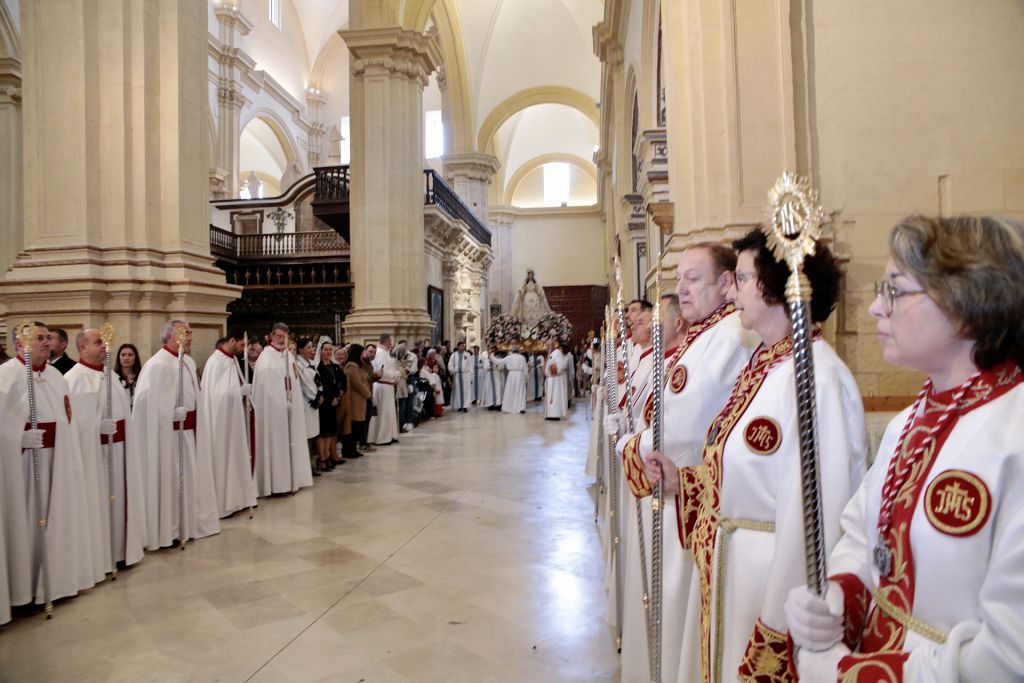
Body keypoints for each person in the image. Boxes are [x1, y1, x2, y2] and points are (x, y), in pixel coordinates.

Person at [786, 215, 1024, 681]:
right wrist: (838, 595)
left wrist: (851, 675)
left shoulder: (1014, 435)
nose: (876, 307)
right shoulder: (909, 422)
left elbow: (1007, 656)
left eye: (895, 289)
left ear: (968, 303)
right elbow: (862, 536)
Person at [645, 228, 867, 683]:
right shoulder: (765, 366)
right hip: (732, 571)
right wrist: (684, 483)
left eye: (741, 279)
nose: (733, 290)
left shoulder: (816, 379)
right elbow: (742, 474)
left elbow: (816, 518)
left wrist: (776, 630)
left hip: (766, 584)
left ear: (775, 287)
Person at [0, 321, 95, 614]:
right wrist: (18, 437)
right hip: (25, 465)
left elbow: (67, 418)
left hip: (57, 461)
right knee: (25, 523)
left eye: (47, 338)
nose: (45, 343)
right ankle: (24, 588)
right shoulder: (6, 376)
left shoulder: (55, 376)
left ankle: (56, 580)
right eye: (38, 338)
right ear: (19, 344)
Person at [66, 328, 147, 576]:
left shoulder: (110, 377)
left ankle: (122, 550)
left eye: (104, 342)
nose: (104, 346)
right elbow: (70, 428)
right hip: (96, 457)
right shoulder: (74, 380)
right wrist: (95, 429)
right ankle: (102, 556)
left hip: (120, 452)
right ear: (82, 347)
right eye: (98, 342)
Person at [133, 320, 220, 548]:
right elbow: (143, 403)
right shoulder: (157, 364)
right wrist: (169, 414)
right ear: (168, 337)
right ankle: (170, 528)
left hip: (189, 434)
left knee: (189, 480)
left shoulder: (188, 362)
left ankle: (188, 523)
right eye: (183, 333)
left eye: (190, 333)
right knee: (171, 482)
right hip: (168, 439)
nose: (189, 337)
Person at [198, 327, 257, 518]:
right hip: (221, 423)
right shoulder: (216, 362)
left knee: (236, 456)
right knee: (224, 457)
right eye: (241, 345)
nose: (242, 349)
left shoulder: (230, 360)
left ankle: (237, 498)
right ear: (231, 340)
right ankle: (225, 501)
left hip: (234, 420)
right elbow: (216, 396)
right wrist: (238, 392)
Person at [251, 322, 314, 496]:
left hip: (291, 409)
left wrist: (292, 400)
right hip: (274, 413)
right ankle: (278, 483)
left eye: (284, 337)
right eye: (278, 336)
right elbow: (266, 389)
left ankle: (294, 479)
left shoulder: (288, 355)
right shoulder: (266, 357)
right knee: (277, 445)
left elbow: (293, 380)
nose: (281, 340)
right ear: (271, 336)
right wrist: (280, 402)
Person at [314, 336, 344, 471]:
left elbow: (339, 383)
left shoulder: (334, 366)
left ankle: (328, 456)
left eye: (330, 350)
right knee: (323, 432)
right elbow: (317, 386)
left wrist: (338, 396)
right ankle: (322, 458)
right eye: (325, 349)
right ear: (320, 351)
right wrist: (327, 399)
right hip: (323, 403)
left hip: (334, 403)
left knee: (331, 431)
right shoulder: (318, 367)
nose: (328, 352)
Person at [295, 337, 323, 471]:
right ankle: (305, 467)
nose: (312, 349)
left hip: (315, 403)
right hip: (307, 403)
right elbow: (305, 384)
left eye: (312, 347)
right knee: (307, 434)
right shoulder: (299, 365)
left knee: (313, 434)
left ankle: (310, 463)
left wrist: (320, 393)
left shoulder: (311, 363)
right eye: (308, 347)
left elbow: (317, 381)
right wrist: (316, 396)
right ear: (300, 350)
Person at [367, 334, 401, 446]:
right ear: (386, 341)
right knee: (383, 413)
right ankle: (382, 437)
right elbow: (381, 372)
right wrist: (396, 375)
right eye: (390, 341)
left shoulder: (384, 353)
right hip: (383, 386)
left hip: (387, 387)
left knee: (388, 412)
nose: (391, 343)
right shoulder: (380, 353)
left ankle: (390, 435)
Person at [339, 344, 371, 459]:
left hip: (359, 400)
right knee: (352, 426)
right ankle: (348, 450)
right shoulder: (351, 366)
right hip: (354, 400)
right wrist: (367, 393)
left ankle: (353, 449)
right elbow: (356, 383)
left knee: (357, 426)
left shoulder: (358, 366)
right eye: (362, 352)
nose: (363, 355)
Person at [544, 338, 570, 420]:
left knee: (554, 396)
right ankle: (551, 414)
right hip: (553, 378)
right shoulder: (554, 354)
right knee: (553, 396)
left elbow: (559, 367)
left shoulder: (557, 353)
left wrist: (550, 368)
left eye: (549, 346)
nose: (548, 348)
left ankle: (554, 414)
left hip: (555, 378)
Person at [498, 344, 528, 414]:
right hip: (520, 375)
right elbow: (525, 368)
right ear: (518, 351)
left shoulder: (509, 357)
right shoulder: (522, 357)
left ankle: (509, 407)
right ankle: (521, 407)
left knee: (510, 390)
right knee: (520, 391)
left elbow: (499, 361)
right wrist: (526, 378)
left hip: (511, 375)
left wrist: (491, 356)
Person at [447, 341, 473, 412]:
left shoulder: (467, 355)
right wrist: (453, 370)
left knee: (466, 390)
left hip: (465, 375)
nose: (463, 347)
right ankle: (459, 405)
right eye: (461, 346)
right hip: (457, 375)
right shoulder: (453, 355)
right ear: (458, 346)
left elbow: (470, 366)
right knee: (457, 391)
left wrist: (471, 377)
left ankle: (465, 406)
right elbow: (450, 365)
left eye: (463, 346)